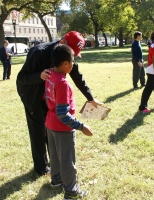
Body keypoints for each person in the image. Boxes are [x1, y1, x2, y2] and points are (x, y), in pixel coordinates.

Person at [16, 31, 101, 176]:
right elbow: (21, 78)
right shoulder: (39, 53)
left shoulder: (68, 57)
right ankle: (41, 168)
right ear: (62, 43)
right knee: (38, 132)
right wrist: (40, 75)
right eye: (72, 55)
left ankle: (53, 163)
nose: (73, 60)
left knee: (51, 130)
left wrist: (91, 98)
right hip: (33, 96)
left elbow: (78, 77)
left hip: (50, 99)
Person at [45, 44, 93, 199]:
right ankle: (72, 192)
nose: (74, 65)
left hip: (50, 124)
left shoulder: (49, 73)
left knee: (54, 155)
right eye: (72, 61)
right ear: (65, 64)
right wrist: (81, 126)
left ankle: (56, 180)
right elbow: (63, 115)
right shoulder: (63, 83)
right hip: (62, 128)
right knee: (67, 161)